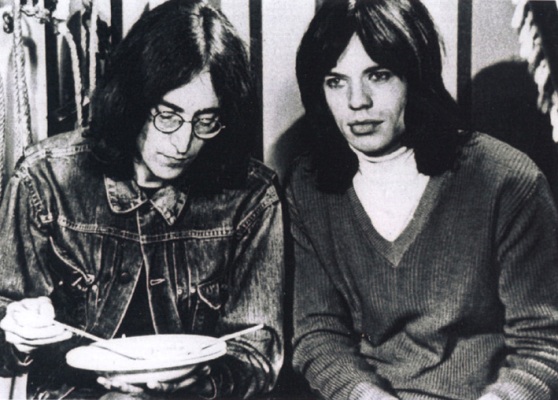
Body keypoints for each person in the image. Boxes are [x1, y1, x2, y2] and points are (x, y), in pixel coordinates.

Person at [0, 0, 284, 398]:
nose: (183, 143)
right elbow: (4, 346)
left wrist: (202, 385)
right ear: (130, 100)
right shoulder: (45, 178)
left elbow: (257, 351)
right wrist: (19, 334)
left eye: (206, 121)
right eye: (167, 115)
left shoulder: (250, 197)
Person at [287, 0, 558, 399]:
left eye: (378, 75)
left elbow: (544, 347)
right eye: (336, 81)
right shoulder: (308, 186)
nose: (357, 101)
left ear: (415, 76)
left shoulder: (508, 180)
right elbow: (318, 334)